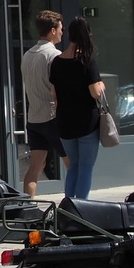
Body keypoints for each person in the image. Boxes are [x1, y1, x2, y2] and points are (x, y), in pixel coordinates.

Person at [47, 16, 105, 199]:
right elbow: (95, 92)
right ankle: (81, 208)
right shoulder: (87, 60)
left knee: (73, 167)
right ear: (87, 35)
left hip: (65, 121)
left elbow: (54, 94)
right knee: (86, 167)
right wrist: (102, 85)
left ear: (70, 35)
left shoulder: (57, 62)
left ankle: (69, 206)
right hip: (86, 121)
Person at [19, 9, 62, 198]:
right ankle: (76, 207)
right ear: (52, 30)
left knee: (36, 166)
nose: (62, 32)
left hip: (34, 117)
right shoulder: (54, 56)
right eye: (60, 28)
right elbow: (57, 88)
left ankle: (27, 206)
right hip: (52, 116)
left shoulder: (27, 55)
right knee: (72, 163)